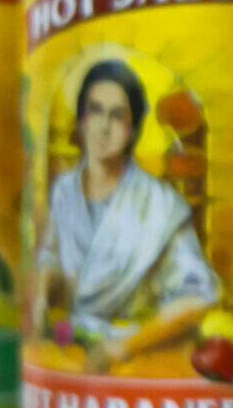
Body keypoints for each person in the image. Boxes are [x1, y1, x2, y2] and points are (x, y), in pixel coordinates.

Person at [32, 58, 219, 370]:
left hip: (138, 357)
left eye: (117, 116)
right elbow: (50, 254)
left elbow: (197, 297)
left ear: (132, 129)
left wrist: (122, 347)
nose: (103, 126)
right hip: (73, 351)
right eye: (94, 111)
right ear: (81, 120)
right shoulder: (65, 191)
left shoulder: (160, 205)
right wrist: (40, 296)